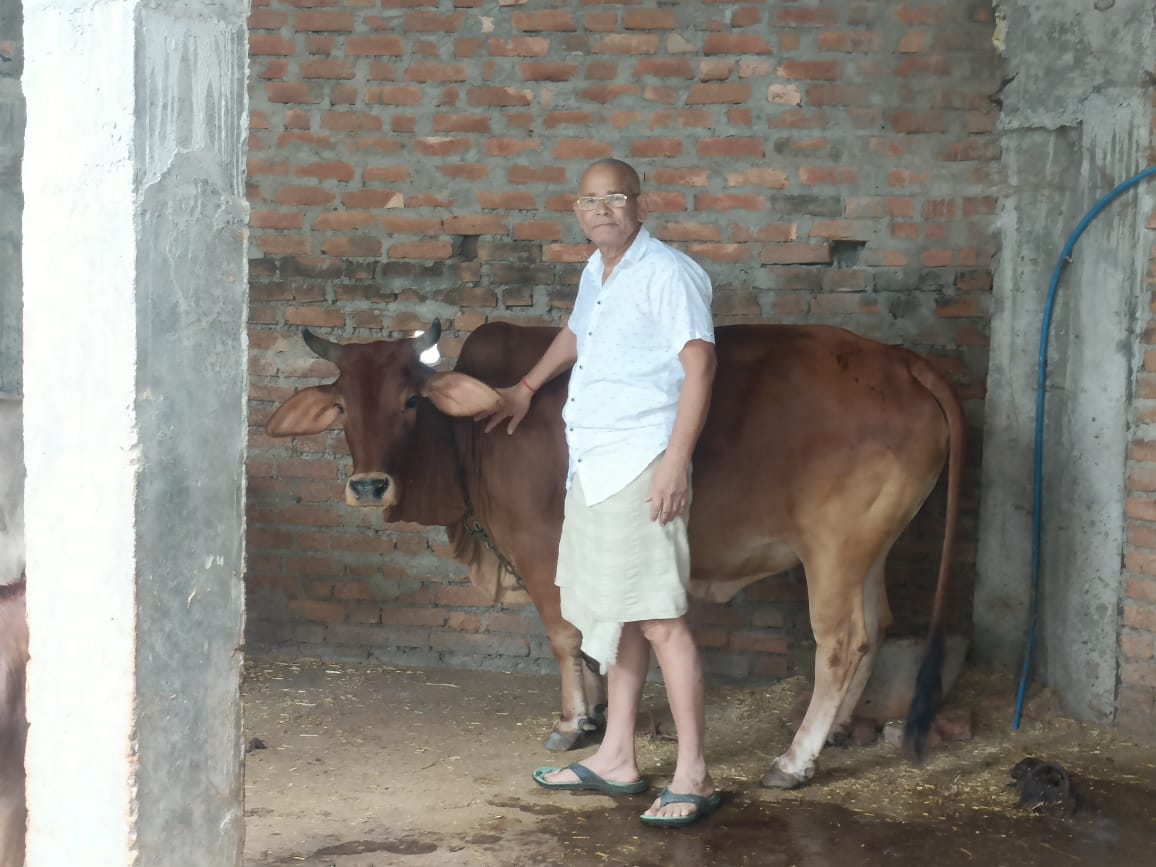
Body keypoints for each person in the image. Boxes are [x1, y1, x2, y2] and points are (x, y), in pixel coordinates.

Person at [480, 158, 719, 828]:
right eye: (590, 200)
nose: (602, 209)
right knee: (618, 612)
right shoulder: (599, 270)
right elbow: (578, 336)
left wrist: (676, 461)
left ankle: (693, 773)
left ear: (639, 203)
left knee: (661, 619)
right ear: (576, 209)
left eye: (615, 197)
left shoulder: (668, 273)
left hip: (643, 460)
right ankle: (617, 756)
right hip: (595, 462)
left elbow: (700, 364)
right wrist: (526, 388)